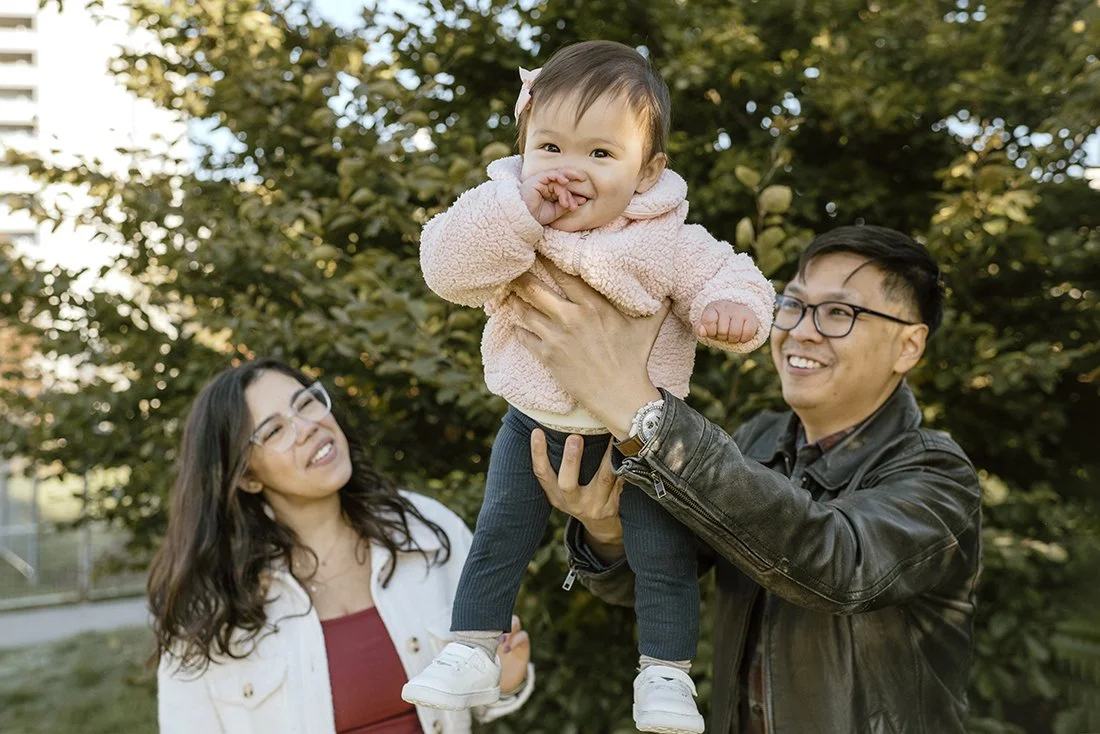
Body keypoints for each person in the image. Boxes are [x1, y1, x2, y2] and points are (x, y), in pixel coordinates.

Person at [404, 40, 773, 734]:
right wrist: (515, 212)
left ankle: (665, 675)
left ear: (647, 171)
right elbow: (444, 266)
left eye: (601, 155)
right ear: (525, 148)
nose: (567, 172)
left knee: (660, 554)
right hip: (530, 420)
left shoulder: (667, 239)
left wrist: (736, 310)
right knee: (499, 535)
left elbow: (730, 274)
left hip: (640, 431)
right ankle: (472, 647)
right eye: (549, 148)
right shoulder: (509, 221)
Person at [518, 225, 982, 734]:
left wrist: (642, 410)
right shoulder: (757, 441)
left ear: (908, 346)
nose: (802, 331)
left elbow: (840, 565)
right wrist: (604, 528)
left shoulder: (939, 475)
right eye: (795, 305)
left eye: (839, 313)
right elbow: (657, 577)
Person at [149, 358, 534, 734]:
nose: (308, 427)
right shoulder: (210, 604)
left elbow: (481, 694)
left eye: (305, 403)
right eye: (273, 431)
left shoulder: (428, 532)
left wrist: (504, 679)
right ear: (248, 477)